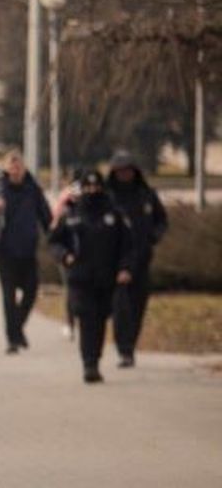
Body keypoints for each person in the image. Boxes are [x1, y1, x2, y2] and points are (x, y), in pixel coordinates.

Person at [48, 170, 134, 383]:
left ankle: (95, 357)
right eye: (87, 187)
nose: (92, 191)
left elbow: (127, 246)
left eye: (96, 187)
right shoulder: (72, 214)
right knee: (86, 318)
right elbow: (54, 241)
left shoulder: (114, 214)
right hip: (79, 277)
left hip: (106, 277)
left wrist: (125, 268)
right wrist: (64, 256)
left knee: (100, 318)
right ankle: (89, 364)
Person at [0, 150, 53, 353]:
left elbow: (46, 216)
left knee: (31, 292)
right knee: (9, 296)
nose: (16, 169)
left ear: (24, 167)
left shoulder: (33, 189)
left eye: (19, 165)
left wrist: (54, 238)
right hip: (4, 250)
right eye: (12, 165)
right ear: (6, 168)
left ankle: (17, 328)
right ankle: (12, 340)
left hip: (28, 250)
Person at [105, 150, 167, 367]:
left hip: (142, 258)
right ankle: (124, 350)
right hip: (115, 261)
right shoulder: (108, 197)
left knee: (138, 306)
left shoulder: (146, 194)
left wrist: (154, 236)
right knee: (121, 307)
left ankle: (130, 344)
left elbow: (161, 220)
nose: (124, 174)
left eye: (128, 170)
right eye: (120, 171)